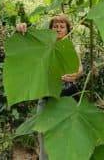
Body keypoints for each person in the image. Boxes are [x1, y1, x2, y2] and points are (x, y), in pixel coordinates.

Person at [16, 15, 83, 160]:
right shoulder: (43, 45)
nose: (58, 29)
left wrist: (76, 75)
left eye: (62, 26)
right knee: (44, 135)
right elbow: (26, 47)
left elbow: (80, 68)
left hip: (69, 97)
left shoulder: (72, 46)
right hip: (47, 97)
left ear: (67, 29)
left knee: (68, 137)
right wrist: (20, 30)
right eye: (55, 26)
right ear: (50, 29)